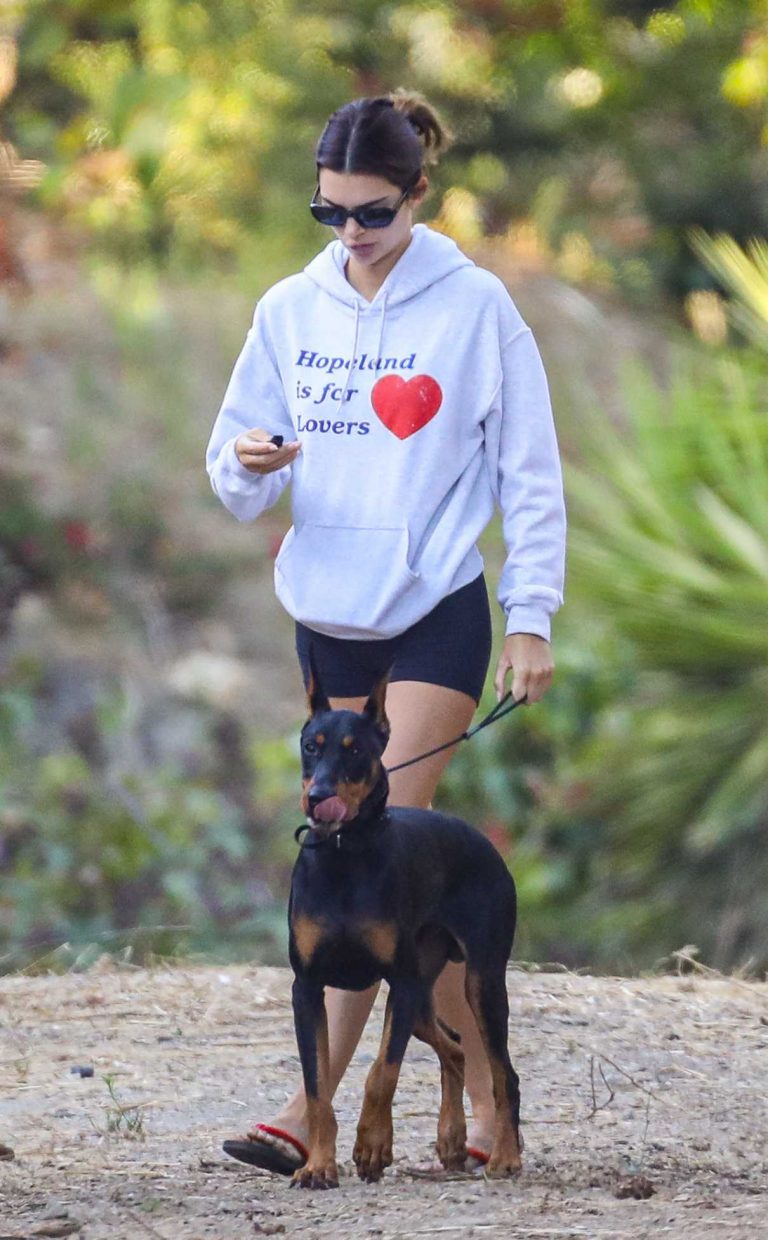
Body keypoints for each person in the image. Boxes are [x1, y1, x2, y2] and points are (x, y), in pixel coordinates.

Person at [206, 89, 566, 1174]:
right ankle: (489, 1089)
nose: (351, 236)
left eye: (371, 213)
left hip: (435, 610)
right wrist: (250, 464)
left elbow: (529, 472)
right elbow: (232, 475)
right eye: (329, 214)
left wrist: (532, 617)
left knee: (383, 845)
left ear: (419, 192)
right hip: (327, 621)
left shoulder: (476, 308)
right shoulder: (288, 309)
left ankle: (306, 1111)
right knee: (401, 887)